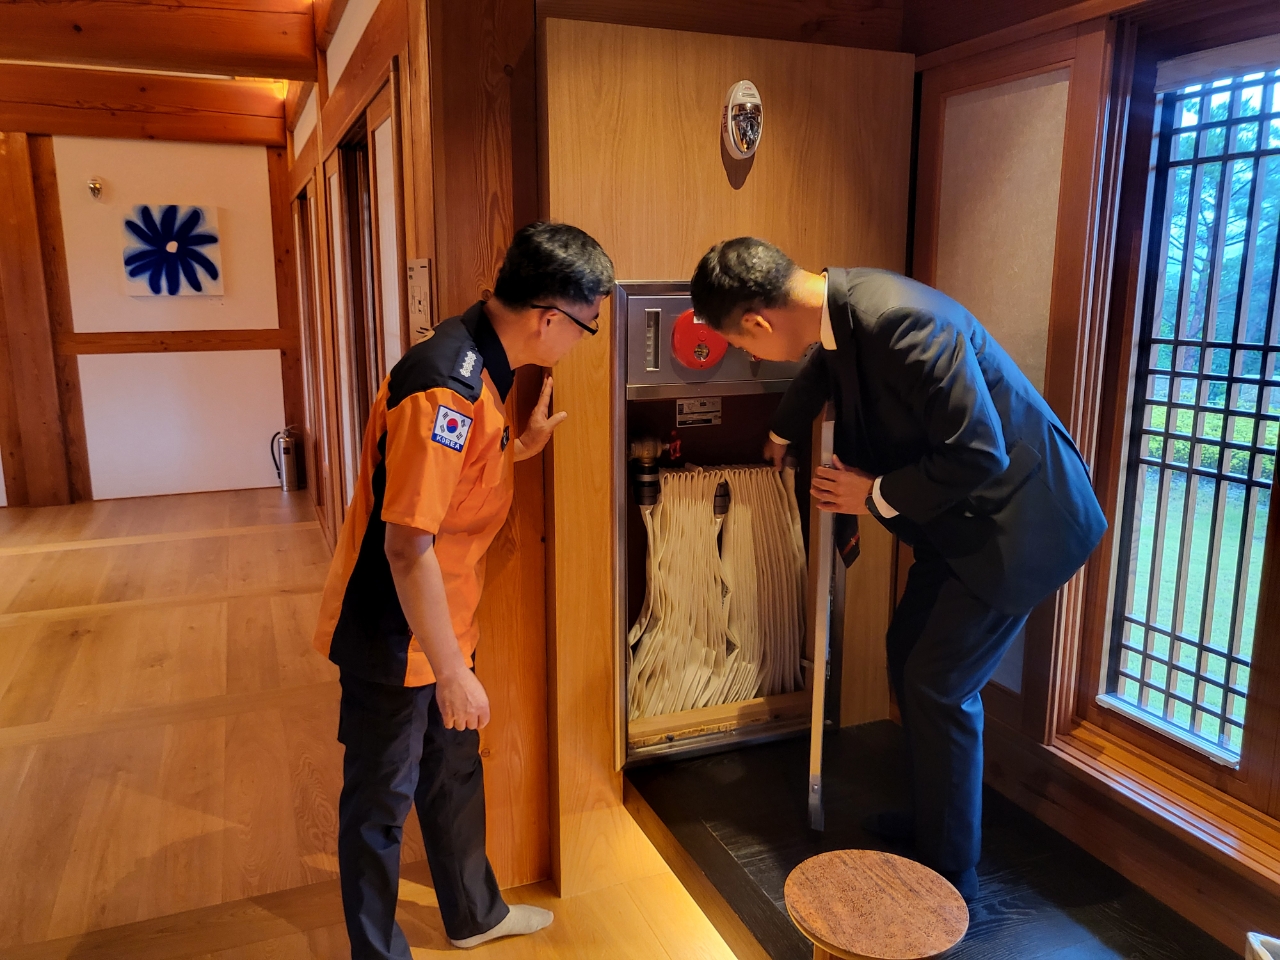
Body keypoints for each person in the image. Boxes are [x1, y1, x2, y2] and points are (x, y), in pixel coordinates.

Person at [689, 238, 1106, 900]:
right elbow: (826, 367)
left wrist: (872, 493)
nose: (750, 356)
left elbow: (980, 451)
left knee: (938, 682)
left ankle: (951, 875)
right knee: (908, 650)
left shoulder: (901, 321)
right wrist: (781, 431)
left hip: (1019, 521)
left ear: (759, 322)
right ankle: (932, 826)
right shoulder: (840, 306)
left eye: (741, 344)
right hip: (960, 520)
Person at [313, 222, 614, 956]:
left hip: (446, 620)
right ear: (549, 317)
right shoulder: (444, 386)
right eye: (587, 326)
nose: (584, 340)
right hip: (396, 630)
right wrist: (449, 671)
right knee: (380, 801)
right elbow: (406, 543)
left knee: (452, 773)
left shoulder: (483, 363)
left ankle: (475, 915)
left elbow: (453, 485)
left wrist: (520, 446)